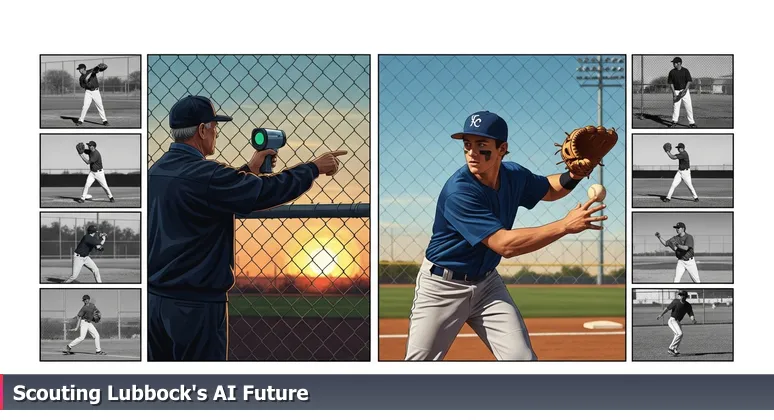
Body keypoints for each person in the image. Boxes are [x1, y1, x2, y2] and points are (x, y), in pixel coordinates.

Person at [147, 95, 346, 361]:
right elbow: (263, 193)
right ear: (202, 130)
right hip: (195, 307)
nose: (215, 134)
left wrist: (249, 169)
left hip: (155, 302)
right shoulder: (206, 175)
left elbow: (207, 194)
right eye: (214, 128)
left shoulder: (156, 172)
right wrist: (312, 169)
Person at [404, 111, 608, 361]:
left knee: (522, 360)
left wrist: (574, 176)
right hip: (443, 287)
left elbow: (549, 189)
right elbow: (505, 245)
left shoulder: (513, 175)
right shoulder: (460, 191)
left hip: (487, 286)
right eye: (467, 145)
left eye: (482, 146)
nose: (472, 153)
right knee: (419, 366)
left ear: (502, 149)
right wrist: (565, 225)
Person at [656, 290, 697, 356]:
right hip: (672, 320)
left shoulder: (688, 305)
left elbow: (690, 314)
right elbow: (667, 308)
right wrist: (661, 314)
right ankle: (670, 348)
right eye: (680, 295)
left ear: (686, 296)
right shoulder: (676, 302)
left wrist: (693, 319)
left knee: (678, 335)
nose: (681, 296)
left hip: (677, 322)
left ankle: (674, 349)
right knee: (679, 334)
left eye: (682, 295)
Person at [667, 57, 697, 128]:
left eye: (674, 63)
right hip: (676, 91)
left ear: (679, 63)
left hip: (684, 91)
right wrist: (674, 93)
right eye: (673, 63)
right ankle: (674, 121)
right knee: (676, 106)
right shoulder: (672, 72)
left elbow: (689, 81)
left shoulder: (685, 71)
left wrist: (685, 90)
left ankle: (691, 122)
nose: (673, 64)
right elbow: (671, 83)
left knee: (688, 106)